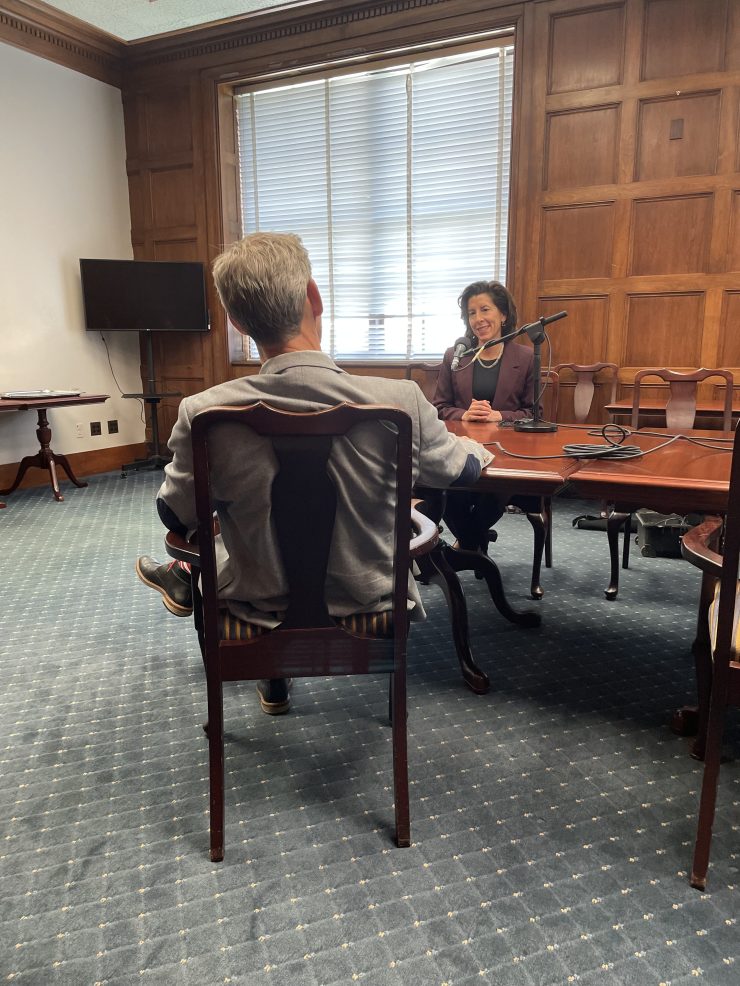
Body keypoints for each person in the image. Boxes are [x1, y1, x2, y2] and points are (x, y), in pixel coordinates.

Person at [136, 232, 493, 713]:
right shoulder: (400, 402)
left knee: (230, 537)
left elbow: (171, 512)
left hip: (255, 611)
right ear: (314, 297)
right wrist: (477, 444)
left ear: (237, 321)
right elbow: (462, 470)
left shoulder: (202, 413)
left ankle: (272, 674)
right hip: (373, 606)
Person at [432, 279, 538, 550]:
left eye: (485, 310)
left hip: (506, 450)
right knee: (444, 486)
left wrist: (499, 415)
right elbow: (440, 407)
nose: (478, 319)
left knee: (494, 490)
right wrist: (464, 414)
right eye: (471, 313)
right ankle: (475, 544)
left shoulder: (525, 357)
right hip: (461, 447)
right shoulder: (455, 356)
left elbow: (533, 413)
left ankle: (466, 546)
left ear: (503, 315)